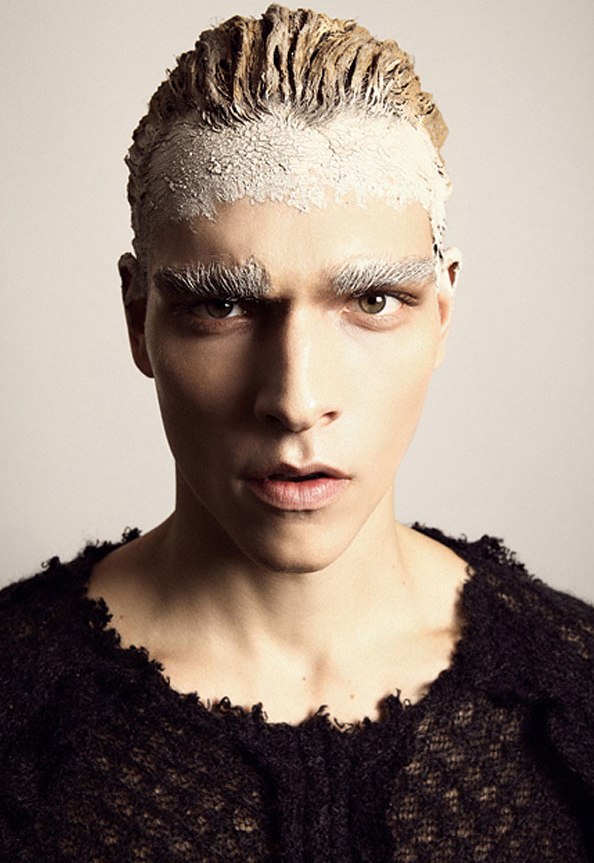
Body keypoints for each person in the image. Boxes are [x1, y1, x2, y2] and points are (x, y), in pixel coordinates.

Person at [1, 5, 593, 861]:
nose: (296, 399)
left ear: (443, 313)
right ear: (138, 319)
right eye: (222, 304)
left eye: (373, 300)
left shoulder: (576, 695)